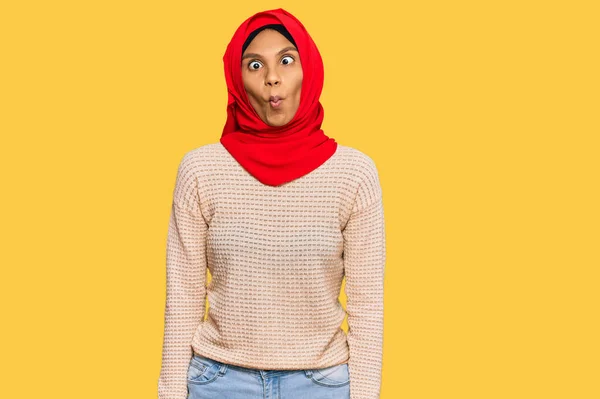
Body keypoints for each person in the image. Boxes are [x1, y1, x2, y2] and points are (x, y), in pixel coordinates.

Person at [158, 8, 386, 399]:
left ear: (308, 69)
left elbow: (368, 306)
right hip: (218, 383)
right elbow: (182, 296)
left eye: (286, 60)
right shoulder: (201, 169)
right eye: (254, 64)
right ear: (236, 78)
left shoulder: (354, 173)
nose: (272, 77)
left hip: (322, 384)